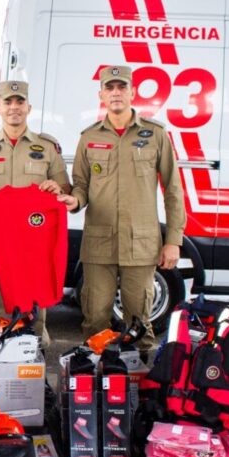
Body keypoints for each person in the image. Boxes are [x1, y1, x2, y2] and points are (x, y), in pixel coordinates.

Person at [56, 65, 186, 358]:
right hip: (99, 243)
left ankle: (138, 385)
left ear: (132, 91)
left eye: (122, 87)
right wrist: (74, 201)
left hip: (140, 243)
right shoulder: (88, 137)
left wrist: (173, 240)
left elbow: (173, 189)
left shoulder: (155, 135)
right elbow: (81, 185)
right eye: (110, 88)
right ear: (101, 94)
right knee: (95, 318)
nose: (116, 93)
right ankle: (94, 383)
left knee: (139, 321)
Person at [0, 80, 70, 346]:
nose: (14, 108)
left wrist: (58, 188)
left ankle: (34, 374)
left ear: (28, 107)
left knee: (34, 316)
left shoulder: (46, 148)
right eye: (8, 102)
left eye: (19, 102)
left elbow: (65, 188)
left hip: (35, 250)